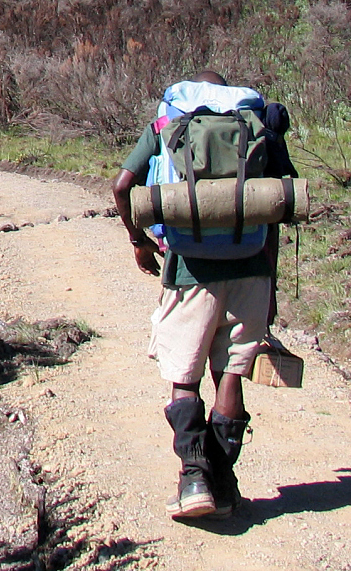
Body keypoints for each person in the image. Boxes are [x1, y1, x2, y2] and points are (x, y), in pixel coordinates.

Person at [110, 70, 297, 522]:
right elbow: (280, 204)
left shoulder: (169, 122)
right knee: (229, 375)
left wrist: (138, 240)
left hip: (189, 270)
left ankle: (194, 478)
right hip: (251, 268)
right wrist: (269, 289)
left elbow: (121, 187)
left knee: (184, 374)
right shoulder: (258, 125)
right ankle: (225, 484)